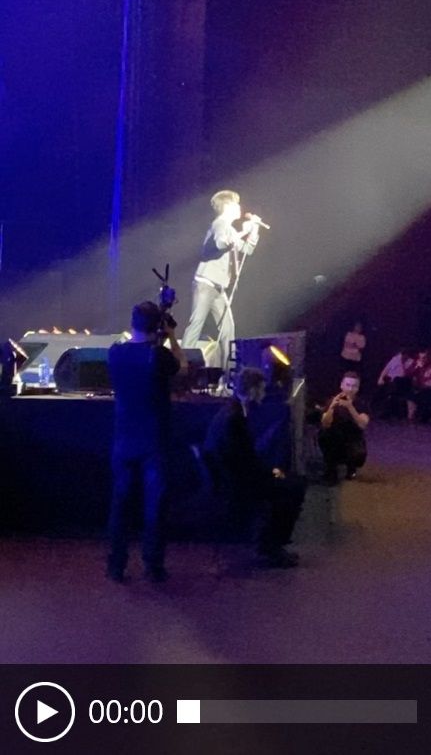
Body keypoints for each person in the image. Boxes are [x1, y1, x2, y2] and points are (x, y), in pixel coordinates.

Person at [106, 301, 185, 583]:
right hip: (154, 440)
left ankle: (116, 566)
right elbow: (182, 367)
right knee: (155, 506)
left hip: (123, 438)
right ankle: (153, 565)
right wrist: (172, 336)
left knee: (120, 505)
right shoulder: (158, 355)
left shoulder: (115, 352)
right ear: (158, 326)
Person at [202, 367, 305, 568]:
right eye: (262, 389)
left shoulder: (232, 411)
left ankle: (270, 544)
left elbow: (244, 458)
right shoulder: (235, 419)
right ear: (252, 390)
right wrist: (271, 472)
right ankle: (272, 547)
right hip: (235, 481)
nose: (264, 394)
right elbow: (245, 463)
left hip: (231, 474)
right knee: (293, 488)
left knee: (288, 483)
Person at [182, 190, 261, 370]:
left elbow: (247, 249)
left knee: (228, 329)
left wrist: (254, 229)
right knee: (196, 325)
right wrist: (243, 231)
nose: (240, 207)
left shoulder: (230, 229)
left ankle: (228, 374)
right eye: (237, 204)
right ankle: (183, 368)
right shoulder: (219, 224)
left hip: (219, 288)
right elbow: (221, 243)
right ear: (228, 206)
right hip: (206, 283)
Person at [318, 370, 369, 482]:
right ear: (342, 385)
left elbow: (362, 424)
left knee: (358, 454)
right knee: (324, 436)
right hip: (335, 438)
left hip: (352, 439)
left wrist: (350, 407)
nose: (350, 389)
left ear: (358, 388)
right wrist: (331, 408)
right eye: (348, 385)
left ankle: (351, 467)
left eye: (354, 386)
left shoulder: (361, 403)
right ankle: (331, 469)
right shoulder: (332, 401)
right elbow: (325, 423)